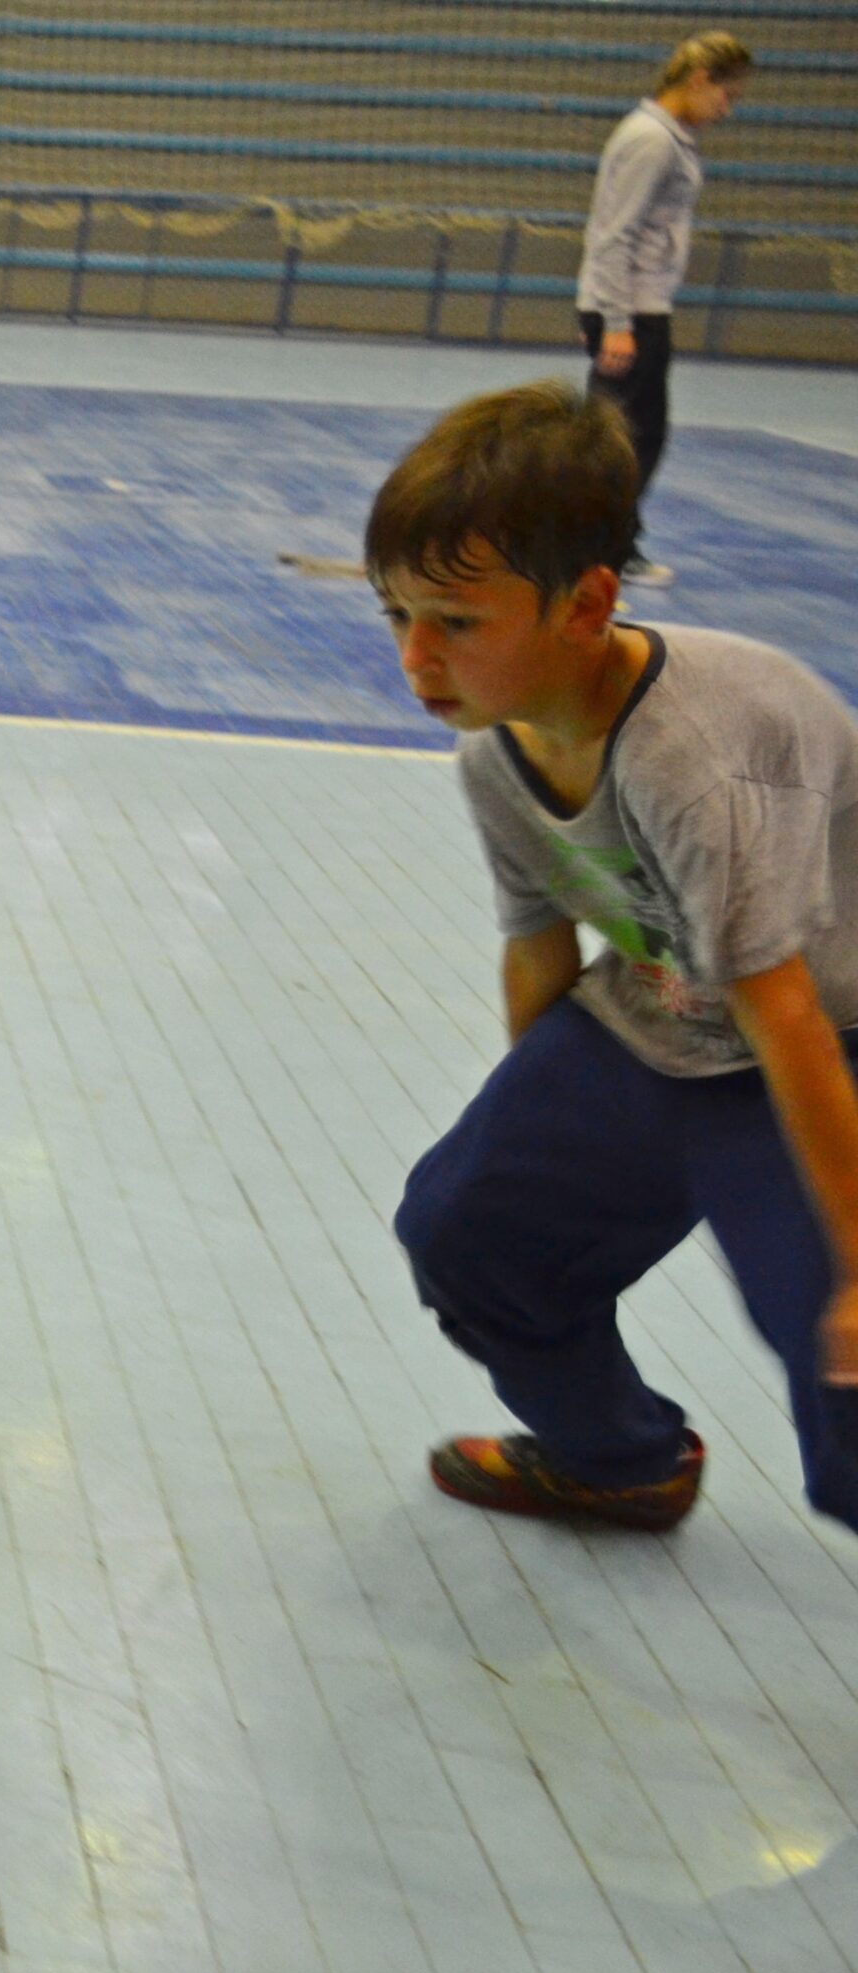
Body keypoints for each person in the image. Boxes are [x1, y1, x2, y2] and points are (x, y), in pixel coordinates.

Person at [373, 381, 858, 1537]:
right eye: (394, 617)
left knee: (848, 1389)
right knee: (469, 1231)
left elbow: (784, 1018)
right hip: (660, 1019)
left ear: (586, 604)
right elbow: (538, 946)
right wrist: (535, 1141)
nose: (415, 658)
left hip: (822, 1044)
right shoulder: (499, 751)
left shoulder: (697, 758)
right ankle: (620, 1462)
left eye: (455, 621)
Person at [574, 30, 753, 587]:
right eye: (726, 96)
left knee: (632, 437)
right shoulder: (651, 140)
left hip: (640, 307)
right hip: (632, 312)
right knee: (624, 440)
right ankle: (596, 551)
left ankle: (603, 545)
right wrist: (617, 324)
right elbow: (612, 235)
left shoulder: (668, 138)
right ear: (699, 81)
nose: (728, 109)